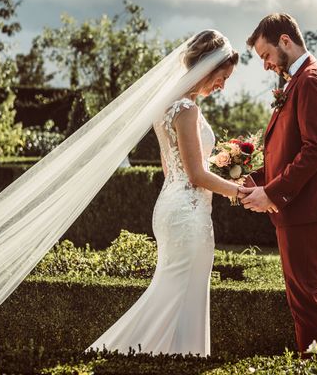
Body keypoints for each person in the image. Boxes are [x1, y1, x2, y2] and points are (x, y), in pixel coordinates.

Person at [88, 30, 246, 356]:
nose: (223, 85)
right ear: (206, 67)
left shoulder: (168, 106)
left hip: (173, 205)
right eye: (222, 76)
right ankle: (121, 351)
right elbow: (196, 174)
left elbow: (172, 166)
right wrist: (239, 191)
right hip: (187, 212)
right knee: (178, 290)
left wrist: (219, 167)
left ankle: (172, 357)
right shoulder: (187, 108)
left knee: (176, 288)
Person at [240, 13, 317, 354]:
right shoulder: (298, 79)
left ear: (285, 41)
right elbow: (289, 149)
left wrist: (272, 193)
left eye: (266, 56)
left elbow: (316, 150)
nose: (265, 65)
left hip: (309, 205)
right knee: (306, 293)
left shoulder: (312, 80)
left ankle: (316, 364)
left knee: (305, 296)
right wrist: (256, 179)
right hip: (302, 204)